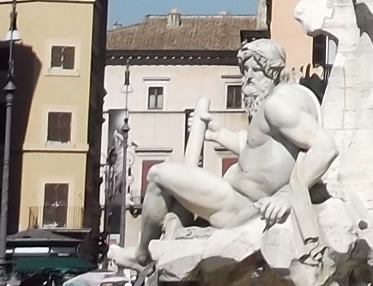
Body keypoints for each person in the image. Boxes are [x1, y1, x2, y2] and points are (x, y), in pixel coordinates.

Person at [110, 39, 338, 268]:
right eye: (245, 70)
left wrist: (287, 197)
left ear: (273, 72)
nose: (247, 78)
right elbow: (261, 155)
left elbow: (326, 148)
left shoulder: (277, 106)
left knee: (157, 175)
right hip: (236, 196)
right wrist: (218, 133)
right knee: (177, 192)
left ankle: (141, 254)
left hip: (238, 205)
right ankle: (170, 235)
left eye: (255, 70)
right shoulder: (286, 100)